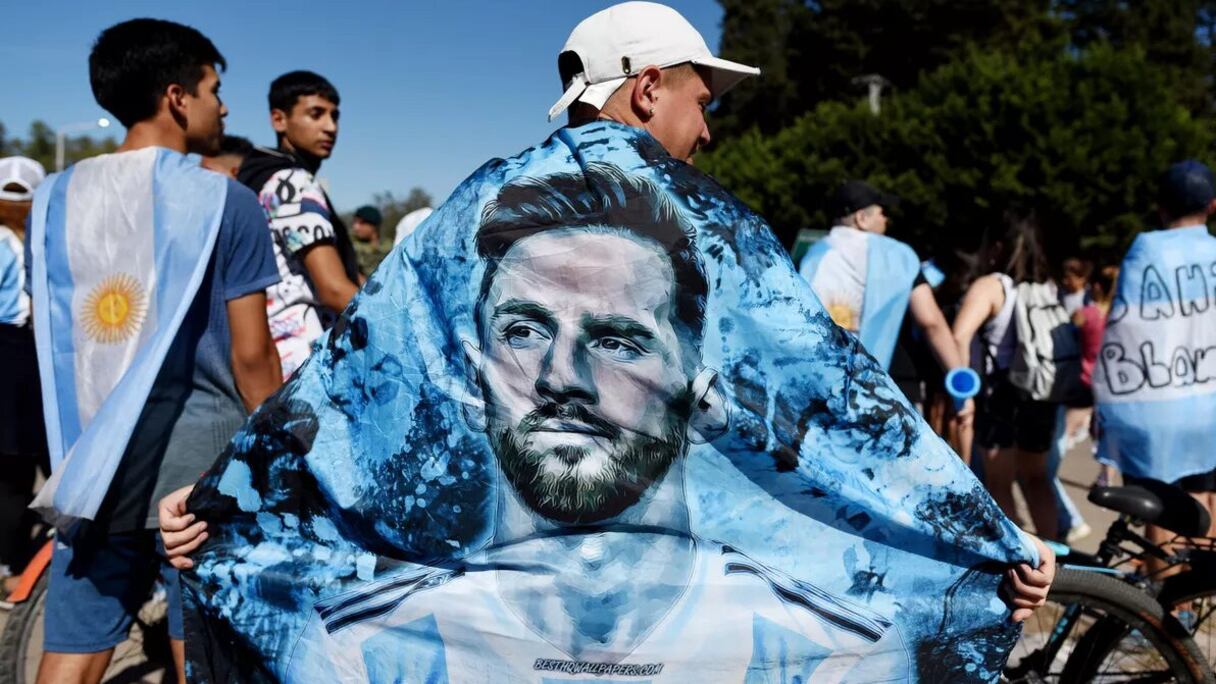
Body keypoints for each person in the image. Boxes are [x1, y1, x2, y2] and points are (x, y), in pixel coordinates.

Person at [163, 4, 1055, 675]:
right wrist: (983, 536)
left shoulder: (467, 211)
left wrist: (227, 496)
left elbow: (354, 379)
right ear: (646, 86)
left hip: (488, 622)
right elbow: (841, 411)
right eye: (701, 102)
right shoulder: (706, 224)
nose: (705, 129)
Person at [284, 165, 912, 681]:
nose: (562, 377)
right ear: (477, 377)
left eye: (616, 341)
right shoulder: (362, 653)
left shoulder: (832, 656)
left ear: (697, 392)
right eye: (524, 332)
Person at [27, 19, 282, 684]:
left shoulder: (50, 202)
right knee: (198, 650)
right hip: (199, 473)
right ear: (177, 96)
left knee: (74, 651)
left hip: (91, 467)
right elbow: (253, 359)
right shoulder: (226, 201)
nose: (223, 107)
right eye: (214, 89)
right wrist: (287, 460)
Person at [1096, 160, 1216, 547]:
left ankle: (1151, 605)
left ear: (1161, 207)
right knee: (1203, 503)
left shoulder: (1145, 249)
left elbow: (1124, 327)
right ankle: (1193, 600)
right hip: (1210, 405)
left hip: (1154, 404)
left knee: (1160, 506)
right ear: (1212, 205)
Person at [799, 180, 975, 427]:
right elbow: (931, 322)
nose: (886, 220)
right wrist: (961, 387)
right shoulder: (898, 257)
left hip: (827, 390)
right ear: (862, 218)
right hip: (893, 387)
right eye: (882, 212)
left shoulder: (812, 258)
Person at [237, 70, 360, 380]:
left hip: (270, 355)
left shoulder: (257, 176)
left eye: (334, 116)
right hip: (304, 363)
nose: (330, 127)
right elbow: (333, 289)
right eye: (315, 114)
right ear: (279, 120)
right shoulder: (292, 181)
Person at [951, 211, 1062, 540]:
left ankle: (1020, 558)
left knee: (999, 482)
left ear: (997, 246)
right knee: (1038, 479)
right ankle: (1057, 557)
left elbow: (959, 335)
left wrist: (963, 393)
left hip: (1001, 396)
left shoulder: (991, 286)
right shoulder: (1046, 286)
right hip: (1040, 393)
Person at [0, 156, 48, 595]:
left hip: (12, 351)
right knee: (20, 463)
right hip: (20, 351)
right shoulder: (34, 241)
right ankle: (12, 563)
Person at [351, 204, 388, 277]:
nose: (355, 227)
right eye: (355, 223)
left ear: (373, 225)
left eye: (361, 223)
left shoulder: (390, 246)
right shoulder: (352, 247)